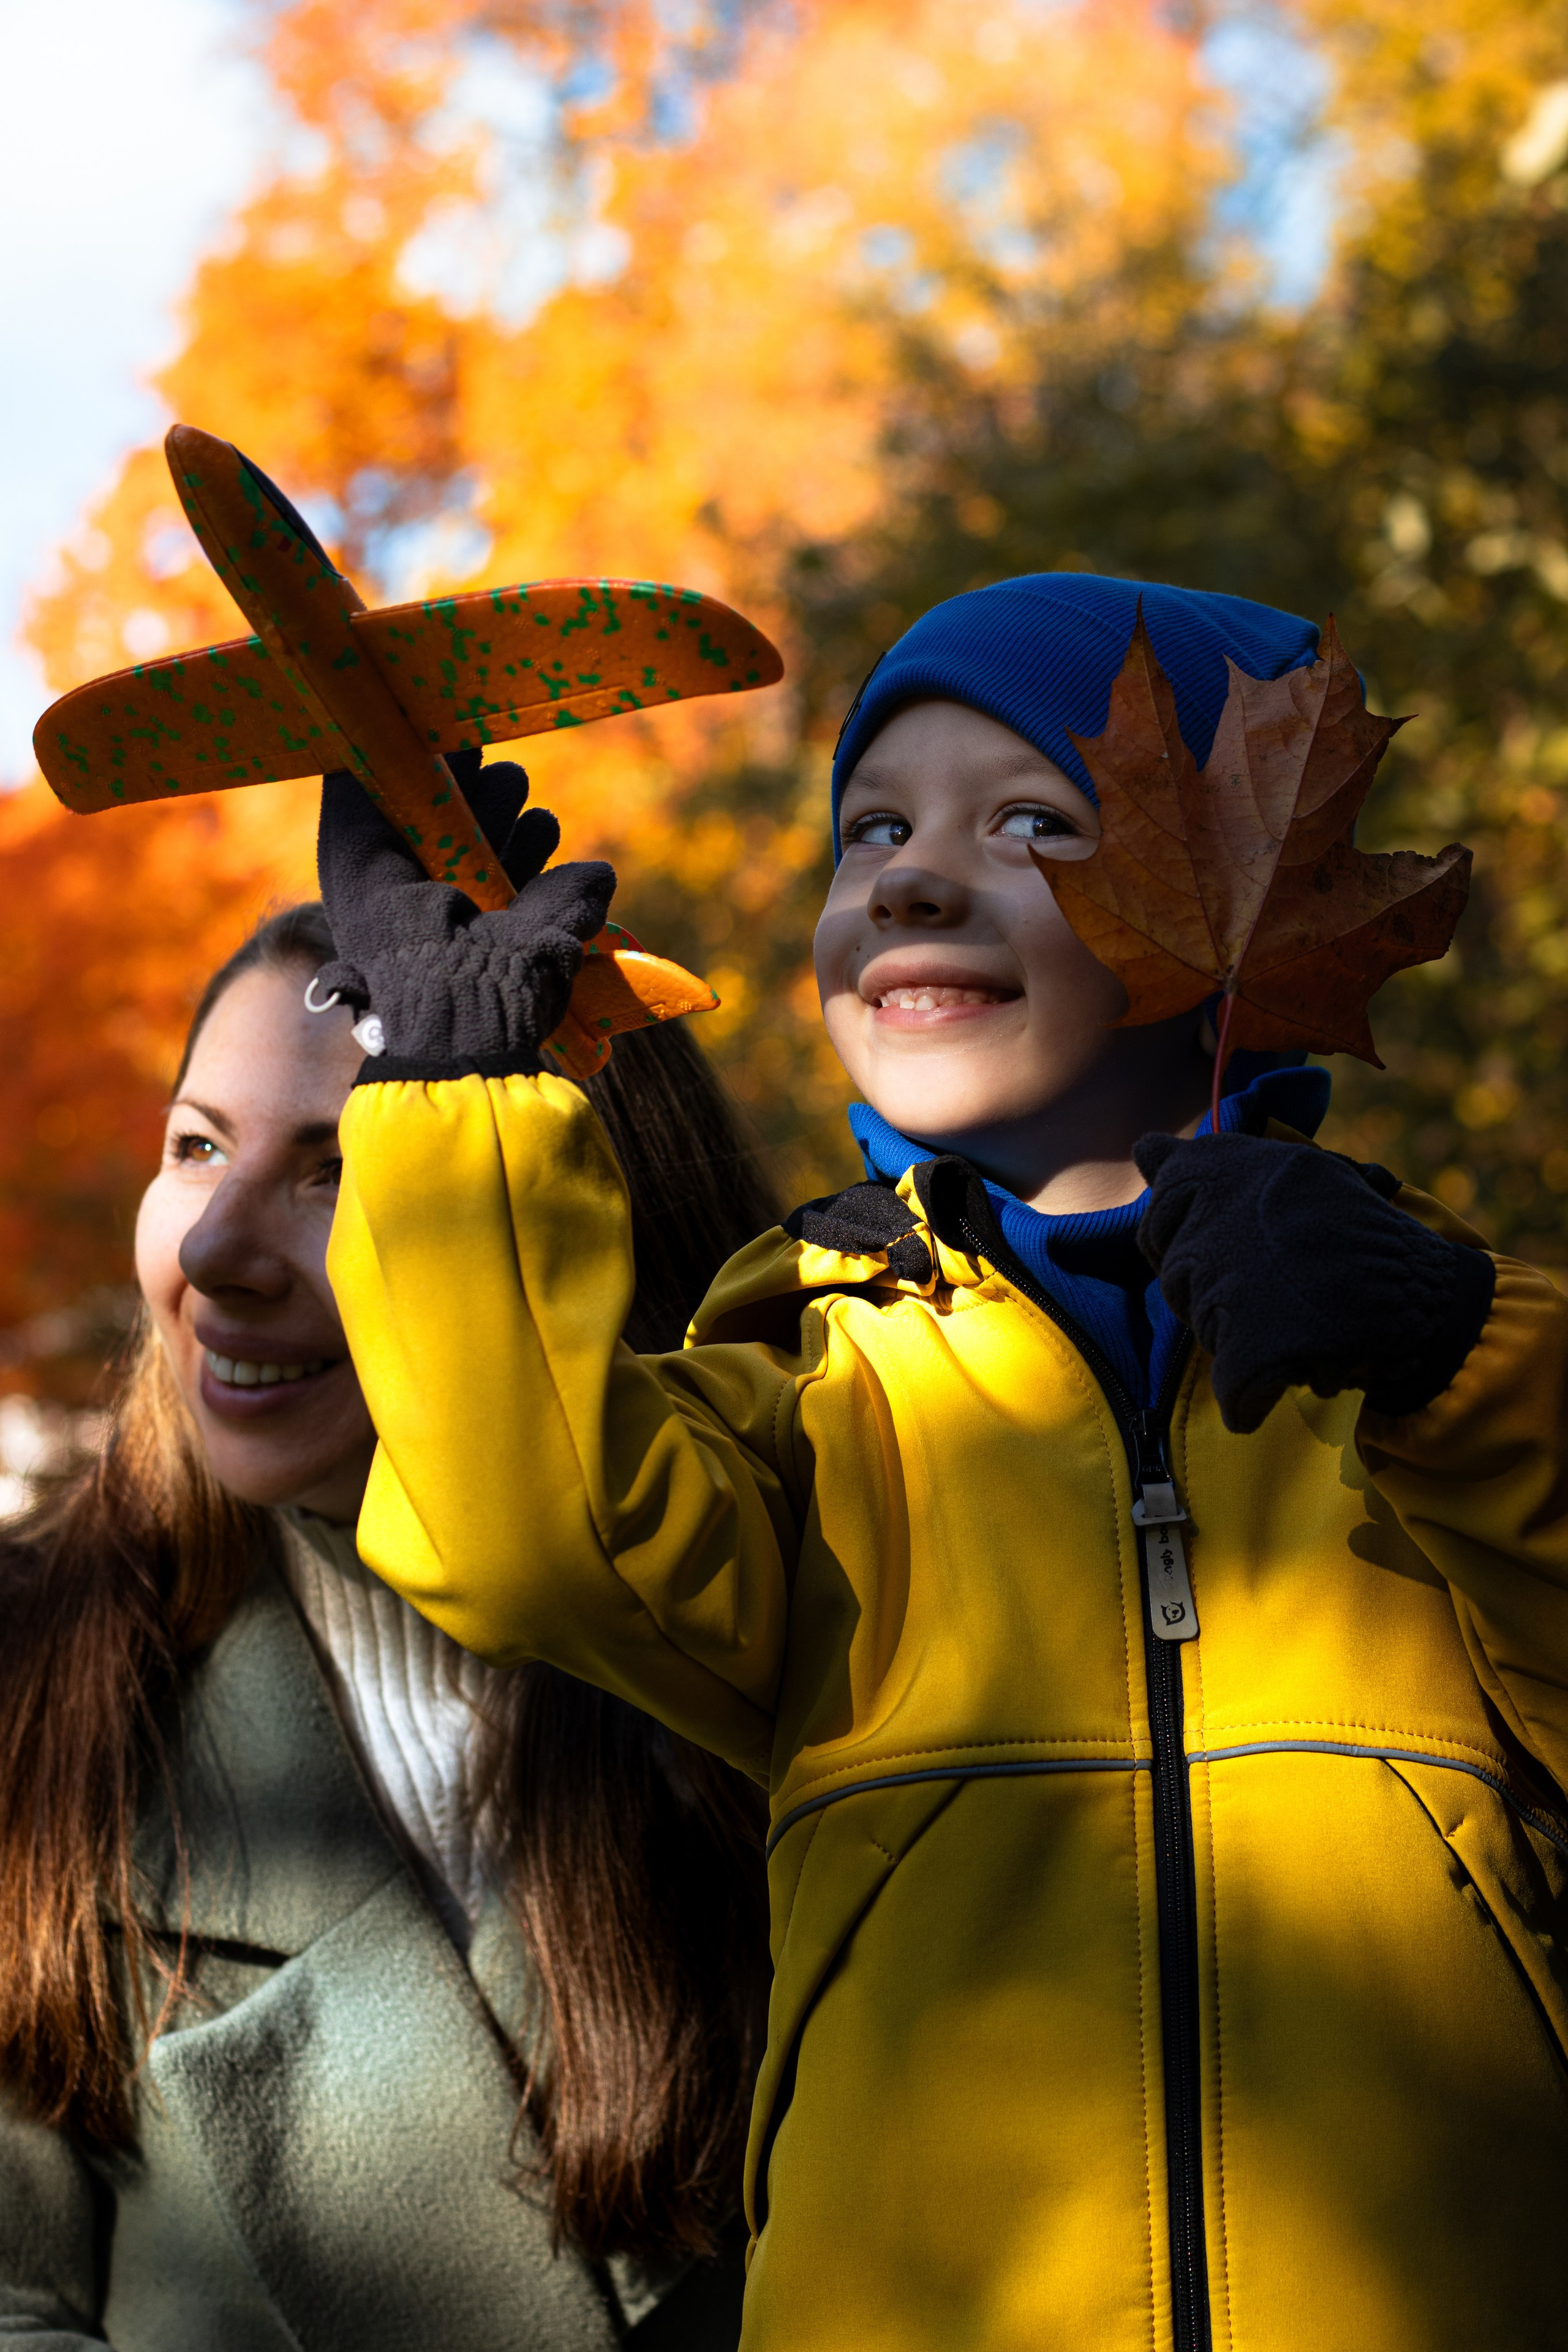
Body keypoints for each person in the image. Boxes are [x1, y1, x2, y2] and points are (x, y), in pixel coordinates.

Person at [316, 576, 1568, 2352]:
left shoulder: (1444, 1359)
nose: (908, 876)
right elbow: (526, 1533)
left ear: (1251, 898)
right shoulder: (817, 1378)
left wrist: (1457, 1361)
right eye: (874, 829)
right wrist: (447, 1100)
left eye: (1035, 821)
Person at [0, 875, 777, 2350]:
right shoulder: (34, 1698)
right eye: (195, 1145)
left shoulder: (832, 1646)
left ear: (579, 1216)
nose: (216, 1253)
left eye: (336, 1171)